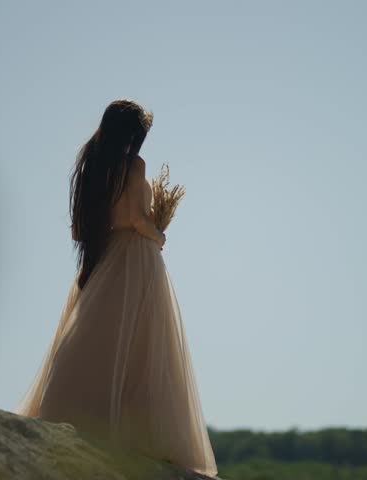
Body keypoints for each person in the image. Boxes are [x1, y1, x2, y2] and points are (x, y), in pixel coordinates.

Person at [17, 99, 218, 478]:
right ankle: (140, 433)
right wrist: (157, 234)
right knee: (145, 346)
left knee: (95, 339)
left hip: (103, 257)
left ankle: (73, 412)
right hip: (135, 258)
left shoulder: (90, 163)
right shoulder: (133, 165)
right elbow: (133, 218)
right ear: (132, 135)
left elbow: (79, 228)